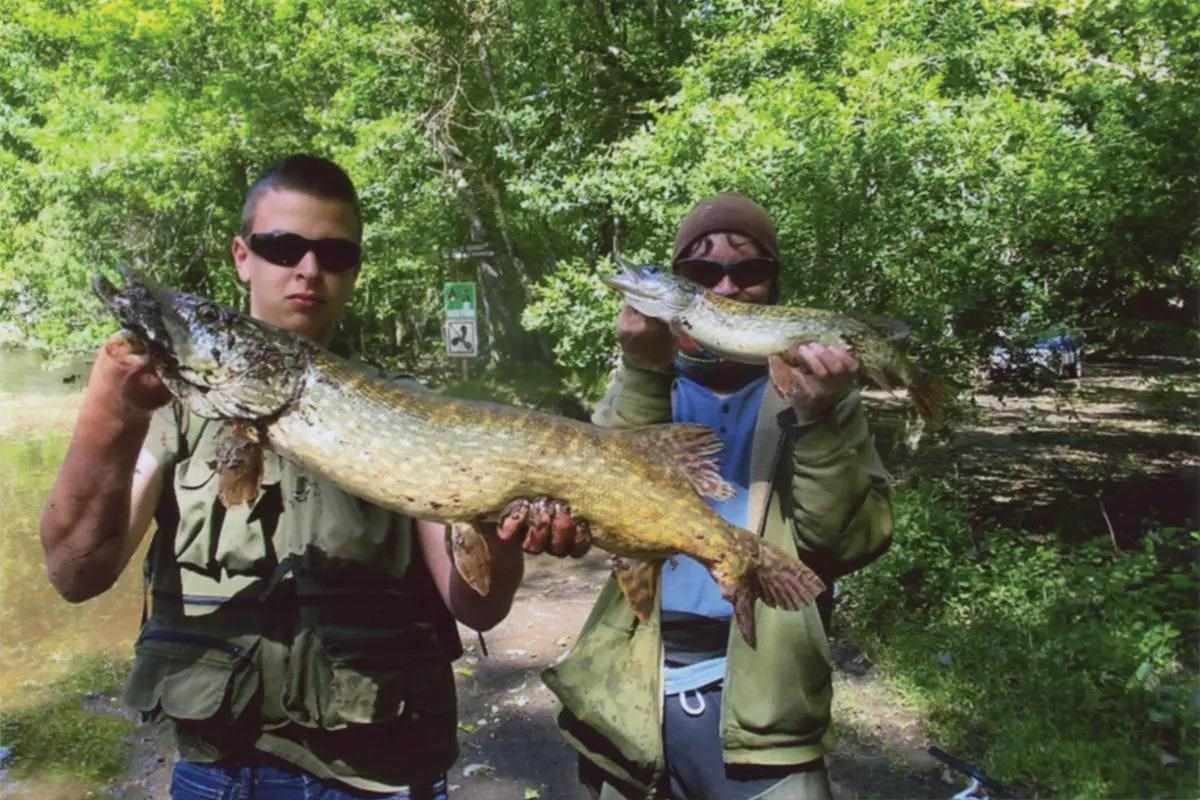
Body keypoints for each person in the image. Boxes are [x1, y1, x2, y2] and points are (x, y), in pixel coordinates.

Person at [40, 154, 590, 799]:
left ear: (355, 269)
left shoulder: (412, 409)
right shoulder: (170, 411)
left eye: (335, 254)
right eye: (283, 247)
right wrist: (115, 410)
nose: (309, 269)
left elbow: (480, 606)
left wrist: (506, 527)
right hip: (219, 774)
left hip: (380, 773)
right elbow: (76, 573)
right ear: (242, 256)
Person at [542, 193, 895, 799]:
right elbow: (610, 510)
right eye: (703, 273)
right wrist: (644, 372)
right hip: (632, 697)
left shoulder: (820, 396)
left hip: (767, 709)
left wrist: (819, 416)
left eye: (749, 270)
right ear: (681, 284)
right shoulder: (647, 379)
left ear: (775, 284)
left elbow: (839, 545)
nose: (728, 286)